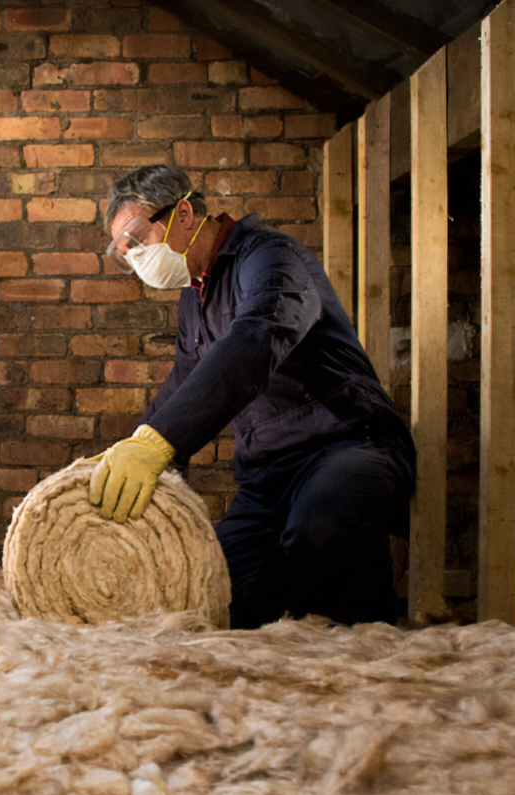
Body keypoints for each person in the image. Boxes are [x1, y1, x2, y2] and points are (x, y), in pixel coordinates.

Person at [89, 164, 416, 628]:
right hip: (268, 479)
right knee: (217, 591)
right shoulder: (194, 298)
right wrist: (132, 451)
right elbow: (184, 383)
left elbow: (259, 335)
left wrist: (158, 442)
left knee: (321, 532)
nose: (137, 259)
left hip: (349, 444)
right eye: (126, 254)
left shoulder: (269, 258)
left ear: (184, 213)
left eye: (138, 240)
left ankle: (368, 654)